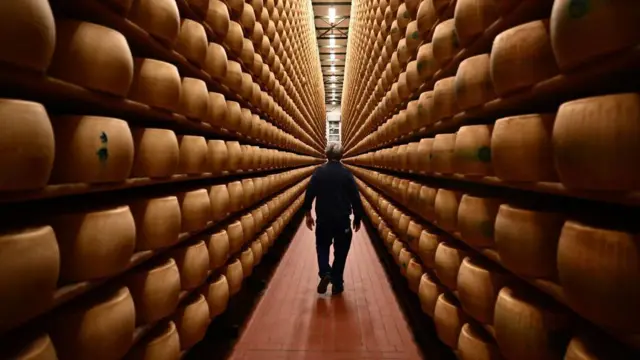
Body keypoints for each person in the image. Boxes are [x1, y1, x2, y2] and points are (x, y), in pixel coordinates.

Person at [301, 142, 364, 295]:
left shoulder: (319, 172)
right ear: (341, 155)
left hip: (323, 220)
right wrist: (358, 217)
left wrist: (308, 214)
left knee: (322, 247)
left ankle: (325, 272)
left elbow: (309, 194)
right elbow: (355, 197)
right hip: (342, 220)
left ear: (326, 155)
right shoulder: (346, 174)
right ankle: (337, 283)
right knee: (341, 252)